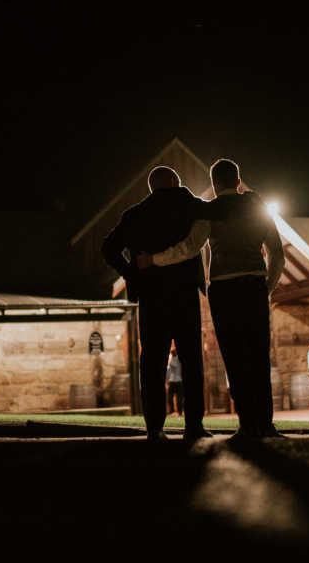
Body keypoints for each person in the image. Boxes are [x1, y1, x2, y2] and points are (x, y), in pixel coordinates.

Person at [138, 158, 286, 440]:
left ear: (215, 185)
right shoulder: (259, 209)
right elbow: (277, 253)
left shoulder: (209, 211)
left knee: (233, 355)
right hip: (254, 283)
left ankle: (246, 425)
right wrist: (267, 287)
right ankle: (265, 424)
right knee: (258, 355)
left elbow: (188, 248)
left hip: (223, 288)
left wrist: (154, 259)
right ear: (238, 181)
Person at [101, 165, 212, 443]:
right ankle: (194, 425)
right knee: (191, 361)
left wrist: (130, 272)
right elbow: (215, 212)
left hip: (152, 296)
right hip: (185, 294)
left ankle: (155, 428)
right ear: (175, 181)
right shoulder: (188, 204)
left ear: (152, 187)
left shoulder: (135, 214)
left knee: (153, 362)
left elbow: (108, 248)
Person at [165, 345, 184, 416]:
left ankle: (172, 411)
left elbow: (168, 370)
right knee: (179, 397)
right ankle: (179, 411)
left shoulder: (170, 360)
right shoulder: (179, 360)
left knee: (170, 397)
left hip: (172, 380)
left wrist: (166, 380)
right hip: (179, 380)